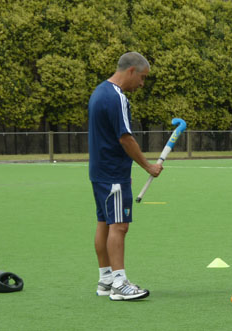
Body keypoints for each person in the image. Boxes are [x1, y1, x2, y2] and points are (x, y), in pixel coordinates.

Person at [88, 52, 163, 301]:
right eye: (142, 78)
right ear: (131, 71)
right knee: (119, 225)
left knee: (105, 223)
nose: (142, 84)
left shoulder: (99, 91)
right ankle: (120, 283)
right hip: (113, 173)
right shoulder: (117, 97)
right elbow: (125, 138)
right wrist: (147, 166)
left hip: (99, 172)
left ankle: (106, 279)